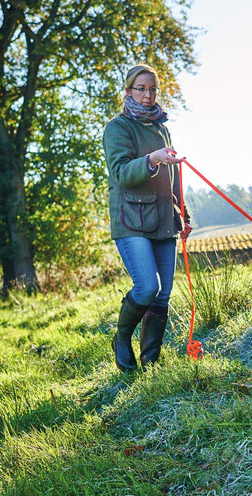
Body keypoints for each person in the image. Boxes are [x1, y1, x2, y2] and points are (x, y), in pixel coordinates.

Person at [103, 64, 192, 372]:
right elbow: (121, 173)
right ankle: (122, 338)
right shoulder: (118, 128)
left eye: (152, 88)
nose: (147, 95)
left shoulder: (162, 128)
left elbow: (173, 177)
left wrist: (184, 214)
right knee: (146, 287)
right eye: (141, 88)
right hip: (131, 220)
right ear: (128, 91)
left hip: (165, 219)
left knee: (163, 294)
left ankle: (151, 361)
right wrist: (152, 159)